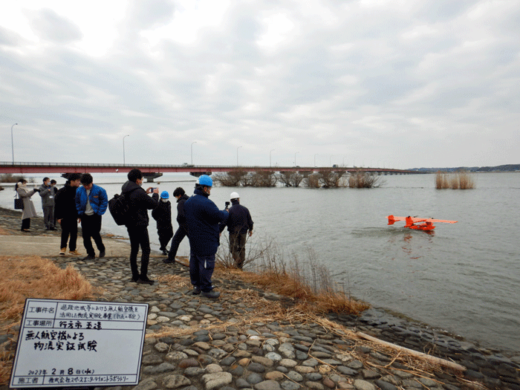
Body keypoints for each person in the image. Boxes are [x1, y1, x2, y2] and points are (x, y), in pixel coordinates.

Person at [184, 175, 228, 298]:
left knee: (194, 262)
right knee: (206, 264)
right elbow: (219, 216)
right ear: (204, 188)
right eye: (209, 188)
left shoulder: (188, 202)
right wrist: (226, 212)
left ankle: (196, 286)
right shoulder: (206, 203)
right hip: (206, 240)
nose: (210, 190)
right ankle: (206, 289)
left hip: (193, 238)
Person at [122, 168, 159, 284]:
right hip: (140, 224)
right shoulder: (138, 191)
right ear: (137, 179)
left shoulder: (125, 189)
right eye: (142, 178)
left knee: (134, 250)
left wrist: (145, 193)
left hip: (129, 224)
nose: (142, 180)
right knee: (146, 250)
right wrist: (155, 195)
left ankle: (134, 276)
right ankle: (143, 277)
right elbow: (153, 204)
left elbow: (136, 200)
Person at [75, 173, 108, 260]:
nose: (86, 187)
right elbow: (77, 202)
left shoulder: (100, 190)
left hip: (95, 215)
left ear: (91, 182)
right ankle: (90, 253)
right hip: (84, 216)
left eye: (88, 185)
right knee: (85, 236)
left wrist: (100, 212)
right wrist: (79, 213)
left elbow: (104, 201)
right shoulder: (79, 191)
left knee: (95, 234)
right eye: (84, 185)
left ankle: (101, 249)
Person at [219, 191, 254, 269]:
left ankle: (237, 261)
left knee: (233, 248)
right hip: (243, 232)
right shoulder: (245, 209)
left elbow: (224, 222)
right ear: (238, 199)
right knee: (242, 248)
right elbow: (250, 221)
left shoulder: (230, 210)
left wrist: (219, 230)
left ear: (231, 201)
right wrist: (251, 229)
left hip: (233, 232)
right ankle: (240, 265)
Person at [55, 173, 82, 256]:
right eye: (77, 181)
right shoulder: (62, 191)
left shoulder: (78, 191)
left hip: (74, 215)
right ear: (72, 181)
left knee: (74, 233)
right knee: (65, 232)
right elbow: (57, 204)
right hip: (64, 215)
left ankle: (72, 249)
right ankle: (62, 248)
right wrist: (58, 217)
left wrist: (80, 215)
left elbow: (80, 203)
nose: (79, 183)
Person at [163, 187, 189, 264]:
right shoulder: (189, 200)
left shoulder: (181, 202)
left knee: (175, 240)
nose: (176, 198)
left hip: (183, 226)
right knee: (193, 243)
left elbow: (181, 215)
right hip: (190, 225)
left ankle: (171, 258)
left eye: (176, 196)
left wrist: (178, 220)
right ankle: (198, 261)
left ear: (179, 195)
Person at [152, 191, 174, 256]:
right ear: (161, 198)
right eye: (164, 198)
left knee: (170, 234)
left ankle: (163, 247)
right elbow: (153, 214)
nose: (165, 199)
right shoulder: (158, 204)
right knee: (162, 236)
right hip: (161, 224)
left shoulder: (168, 203)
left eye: (166, 198)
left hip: (168, 223)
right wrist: (158, 219)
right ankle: (163, 248)